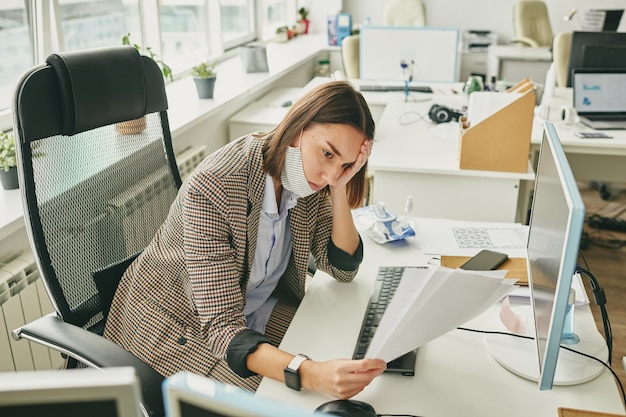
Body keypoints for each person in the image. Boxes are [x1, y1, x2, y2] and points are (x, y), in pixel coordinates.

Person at [104, 80, 386, 399]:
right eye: (327, 154)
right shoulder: (214, 188)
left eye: (345, 164)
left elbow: (342, 268)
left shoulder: (311, 180)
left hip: (252, 307)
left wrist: (339, 188)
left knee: (346, 346)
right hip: (176, 325)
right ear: (298, 128)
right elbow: (224, 331)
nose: (332, 174)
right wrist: (310, 373)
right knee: (289, 399)